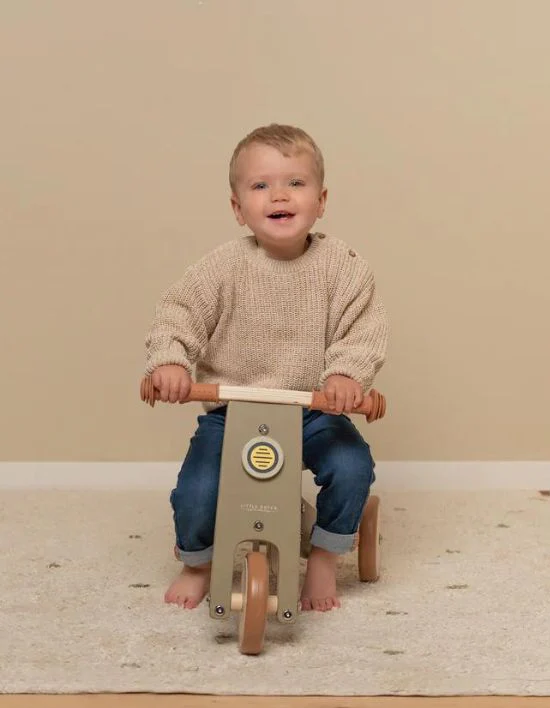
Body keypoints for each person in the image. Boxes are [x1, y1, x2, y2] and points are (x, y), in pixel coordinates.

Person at [144, 124, 389, 612]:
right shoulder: (223, 267)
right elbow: (179, 313)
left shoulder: (344, 267)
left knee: (351, 465)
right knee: (198, 487)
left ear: (321, 200)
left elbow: (362, 329)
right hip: (234, 411)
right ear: (238, 208)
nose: (279, 194)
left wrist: (345, 376)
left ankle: (322, 555)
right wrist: (171, 362)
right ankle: (196, 562)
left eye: (295, 183)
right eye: (261, 186)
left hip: (313, 409)